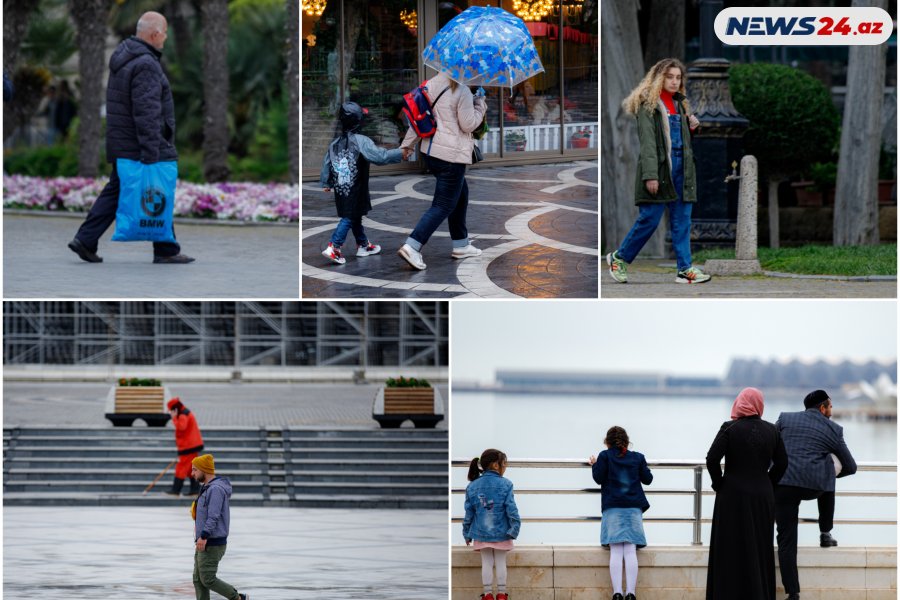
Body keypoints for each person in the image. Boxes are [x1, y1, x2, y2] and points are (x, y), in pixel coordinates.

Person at [68, 11, 193, 265]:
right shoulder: (145, 63)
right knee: (158, 187)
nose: (166, 38)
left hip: (124, 141)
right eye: (165, 33)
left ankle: (86, 239)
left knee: (117, 190)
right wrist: (151, 151)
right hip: (140, 144)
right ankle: (166, 250)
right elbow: (146, 110)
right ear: (155, 34)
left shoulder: (126, 57)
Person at [606, 58, 711, 285]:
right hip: (660, 171)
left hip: (683, 170)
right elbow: (649, 144)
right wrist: (651, 175)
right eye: (669, 77)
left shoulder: (681, 104)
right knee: (650, 220)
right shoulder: (648, 106)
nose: (674, 82)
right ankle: (619, 258)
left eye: (678, 77)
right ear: (659, 78)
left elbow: (682, 143)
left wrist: (692, 128)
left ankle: (685, 269)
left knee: (682, 221)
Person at [398, 71, 487, 270]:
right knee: (443, 204)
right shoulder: (462, 89)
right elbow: (468, 124)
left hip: (431, 153)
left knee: (460, 194)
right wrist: (480, 102)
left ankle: (461, 244)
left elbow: (418, 117)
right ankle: (412, 246)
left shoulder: (432, 82)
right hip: (450, 156)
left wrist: (408, 145)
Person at [705, 388, 788, 600]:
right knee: (760, 546)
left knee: (729, 547)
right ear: (759, 405)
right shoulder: (772, 430)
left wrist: (719, 484)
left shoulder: (729, 428)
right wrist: (767, 483)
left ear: (739, 403)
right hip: (762, 496)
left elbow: (712, 459)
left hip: (731, 495)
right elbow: (783, 463)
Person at [775, 390, 857, 600]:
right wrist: (825, 471)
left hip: (783, 483)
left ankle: (793, 593)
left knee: (786, 540)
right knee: (828, 470)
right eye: (830, 407)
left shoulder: (785, 418)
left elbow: (772, 448)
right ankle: (825, 533)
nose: (831, 411)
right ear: (822, 407)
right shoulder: (834, 429)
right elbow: (850, 466)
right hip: (814, 487)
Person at [319, 101, 402, 264]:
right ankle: (334, 247)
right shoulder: (362, 141)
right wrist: (400, 153)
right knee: (350, 216)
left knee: (354, 215)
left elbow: (326, 163)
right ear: (358, 120)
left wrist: (326, 182)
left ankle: (363, 245)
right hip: (356, 187)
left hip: (342, 187)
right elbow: (379, 156)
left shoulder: (335, 143)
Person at [589, 426, 653, 600]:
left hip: (613, 507)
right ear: (626, 441)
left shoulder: (604, 456)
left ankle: (617, 593)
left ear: (607, 442)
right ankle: (631, 594)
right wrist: (642, 466)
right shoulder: (637, 457)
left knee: (616, 551)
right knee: (630, 550)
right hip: (633, 508)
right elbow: (648, 479)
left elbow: (598, 478)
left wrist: (594, 465)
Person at [463, 448, 520, 600]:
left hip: (481, 532)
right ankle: (502, 595)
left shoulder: (472, 486)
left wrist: (466, 532)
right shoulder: (506, 484)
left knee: (486, 563)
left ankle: (487, 595)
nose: (505, 466)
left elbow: (469, 513)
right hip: (502, 532)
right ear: (496, 465)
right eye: (504, 463)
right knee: (501, 563)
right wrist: (515, 528)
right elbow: (512, 510)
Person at [190, 454, 249, 600]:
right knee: (198, 580)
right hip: (203, 540)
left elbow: (214, 516)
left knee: (208, 579)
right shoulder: (206, 487)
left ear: (204, 470)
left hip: (211, 542)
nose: (192, 474)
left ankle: (238, 598)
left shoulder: (215, 489)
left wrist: (204, 536)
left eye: (195, 470)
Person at [164, 397, 204, 497]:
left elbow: (182, 427)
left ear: (175, 409)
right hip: (192, 444)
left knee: (181, 467)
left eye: (171, 411)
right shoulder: (184, 412)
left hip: (188, 446)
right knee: (191, 468)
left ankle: (176, 490)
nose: (170, 412)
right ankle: (195, 490)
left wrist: (174, 418)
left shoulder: (182, 415)